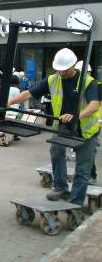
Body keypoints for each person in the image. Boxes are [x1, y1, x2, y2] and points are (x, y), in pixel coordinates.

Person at [8, 48, 99, 206]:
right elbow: (29, 93)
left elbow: (94, 105)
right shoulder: (53, 79)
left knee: (83, 169)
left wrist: (76, 116)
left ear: (73, 66)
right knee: (56, 152)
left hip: (86, 131)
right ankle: (60, 188)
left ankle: (75, 204)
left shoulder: (87, 81)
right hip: (62, 127)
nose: (61, 73)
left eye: (65, 70)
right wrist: (9, 102)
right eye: (59, 70)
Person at [75, 60, 101, 185]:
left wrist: (100, 121)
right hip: (81, 123)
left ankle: (92, 175)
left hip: (92, 124)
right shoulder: (79, 84)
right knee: (82, 152)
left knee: (90, 152)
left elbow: (100, 105)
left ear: (89, 72)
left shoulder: (97, 85)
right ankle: (85, 174)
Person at [7, 75, 21, 141]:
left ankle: (7, 135)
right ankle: (15, 137)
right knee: (15, 124)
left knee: (7, 123)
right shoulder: (17, 90)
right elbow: (17, 100)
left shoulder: (6, 88)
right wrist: (17, 109)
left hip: (6, 108)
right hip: (13, 109)